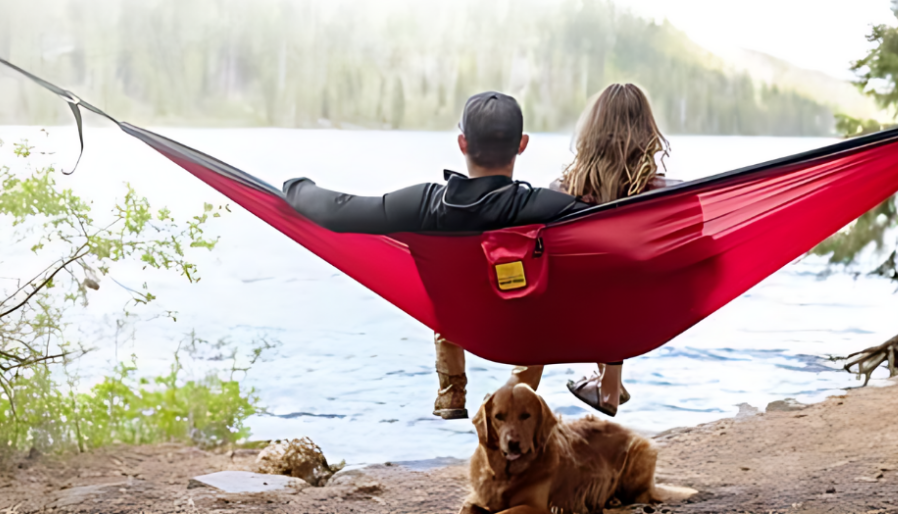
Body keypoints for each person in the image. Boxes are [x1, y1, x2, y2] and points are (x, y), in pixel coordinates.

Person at [284, 91, 590, 420]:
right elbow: (608, 222)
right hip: (519, 335)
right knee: (538, 298)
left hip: (458, 324)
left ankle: (451, 392)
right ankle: (516, 395)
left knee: (449, 293)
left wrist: (296, 187)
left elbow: (338, 212)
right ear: (522, 144)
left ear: (462, 143)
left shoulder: (425, 204)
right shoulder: (547, 207)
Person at [505, 83, 678, 417]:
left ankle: (515, 403)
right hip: (630, 316)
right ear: (646, 133)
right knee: (619, 280)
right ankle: (609, 384)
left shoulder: (561, 191)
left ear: (591, 132)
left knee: (547, 306)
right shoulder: (660, 195)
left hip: (566, 313)